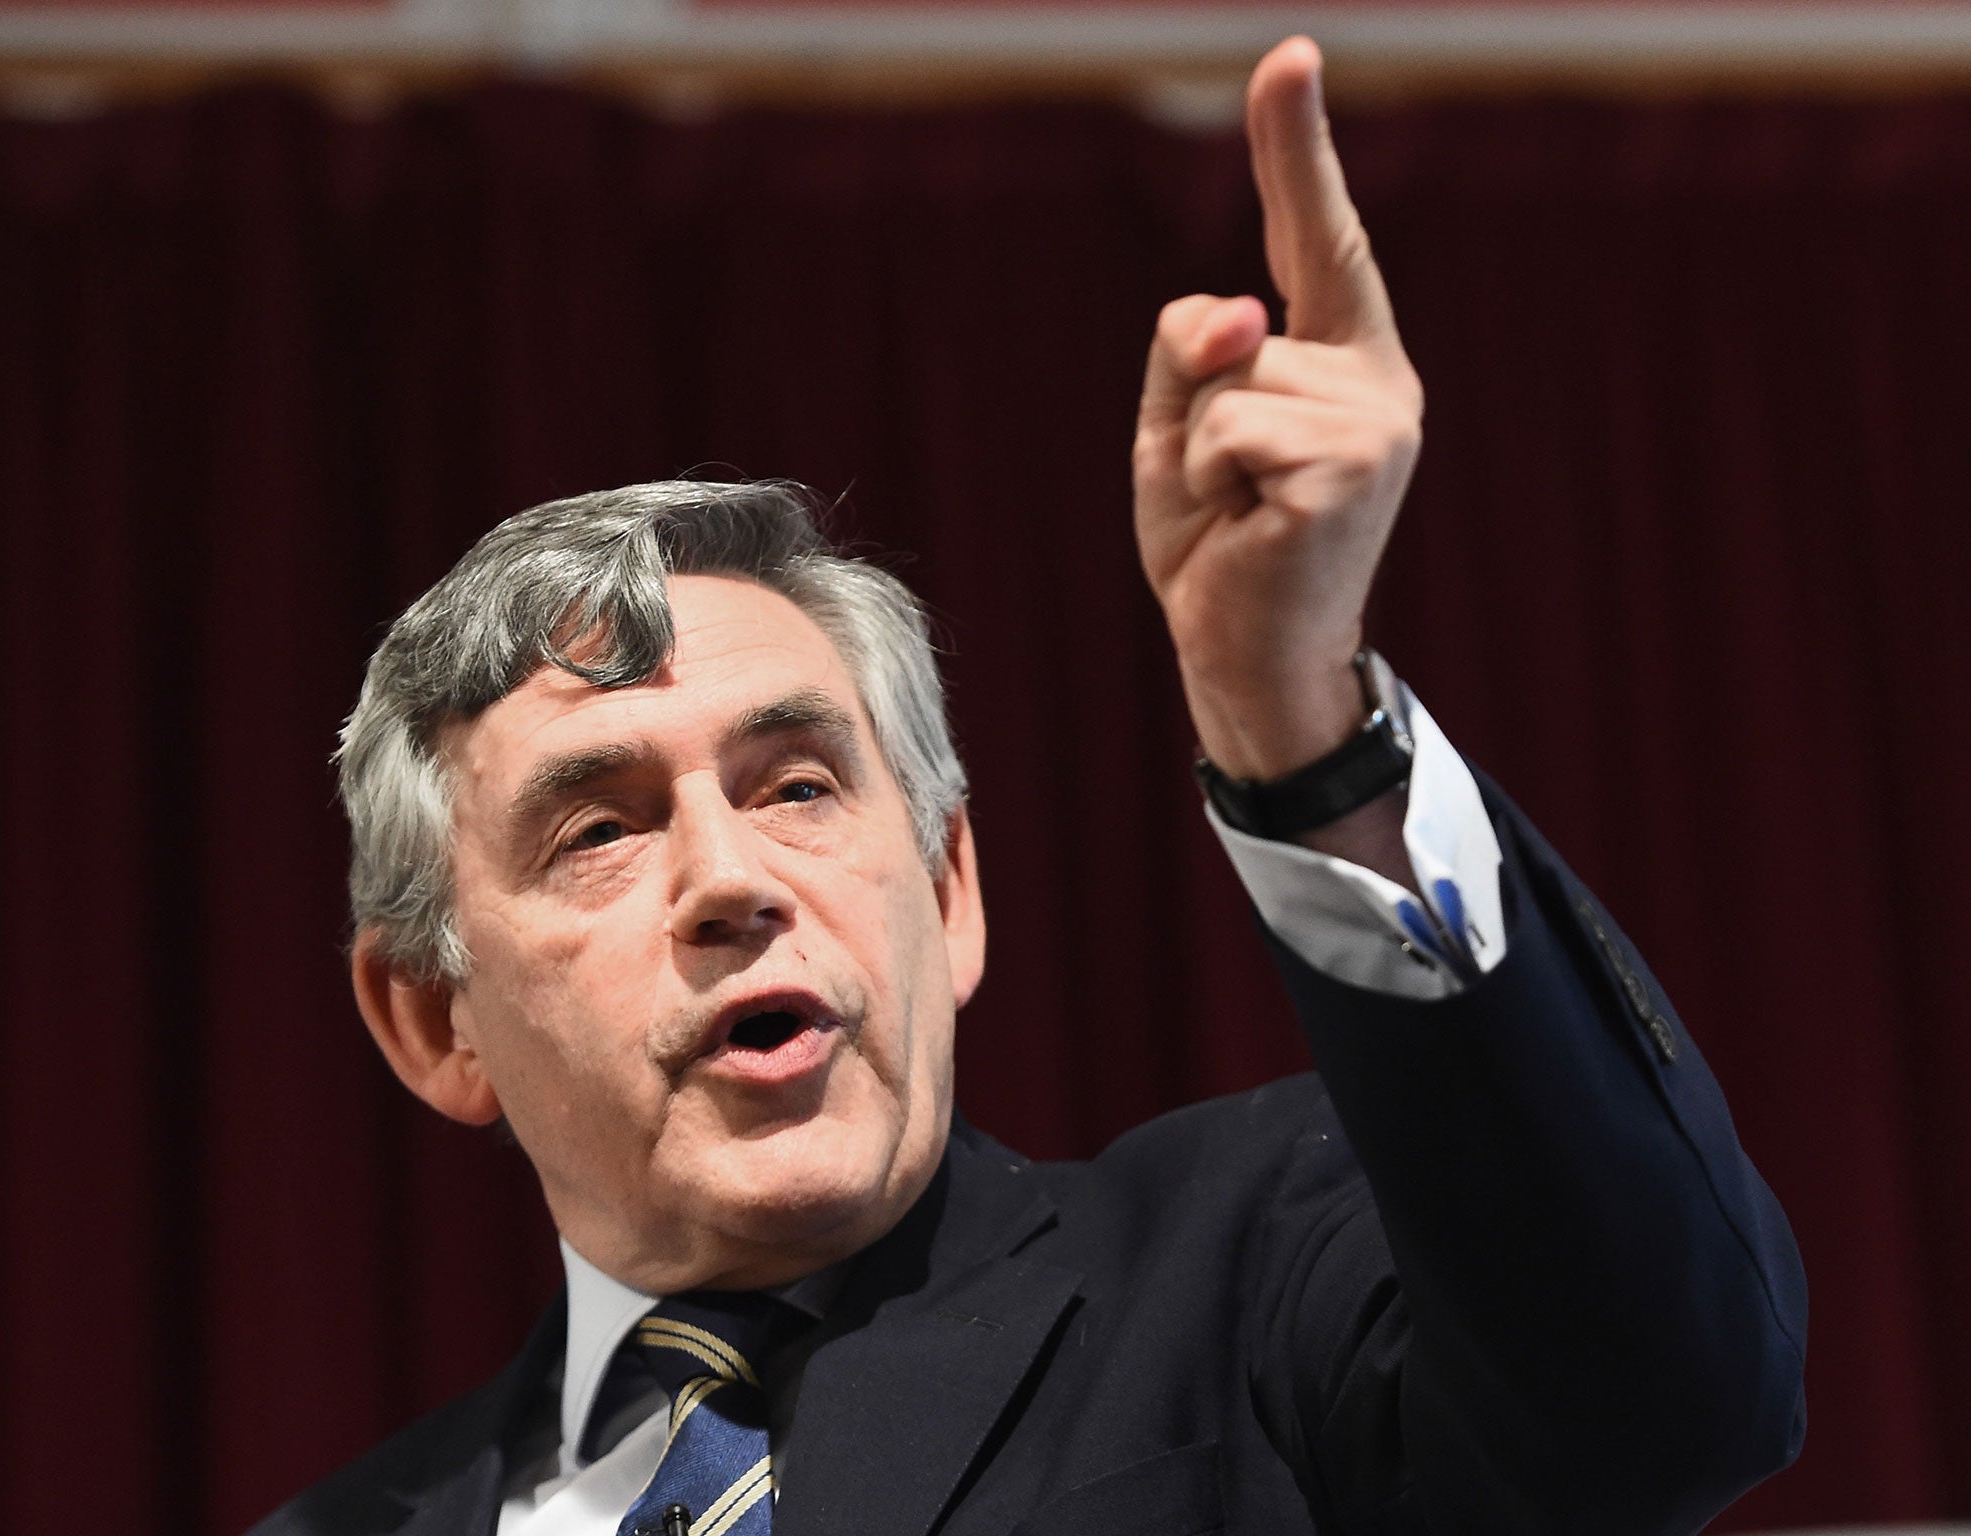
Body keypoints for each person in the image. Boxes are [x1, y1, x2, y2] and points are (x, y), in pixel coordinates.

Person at [251, 36, 1804, 1536]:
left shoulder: (1259, 1272)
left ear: (947, 887)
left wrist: (1299, 718)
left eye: (798, 786)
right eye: (598, 827)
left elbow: (1659, 1400)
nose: (733, 880)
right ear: (433, 1020)